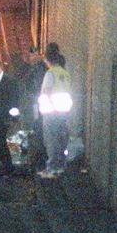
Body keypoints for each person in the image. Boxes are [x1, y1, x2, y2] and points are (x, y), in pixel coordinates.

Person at [37, 48, 72, 179]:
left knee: (51, 140)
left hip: (51, 112)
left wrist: (42, 106)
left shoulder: (50, 73)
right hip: (63, 112)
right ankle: (60, 166)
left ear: (48, 60)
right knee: (61, 139)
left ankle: (51, 168)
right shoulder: (65, 73)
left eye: (45, 60)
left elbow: (46, 91)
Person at [24, 46, 48, 170]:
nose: (32, 58)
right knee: (36, 128)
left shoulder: (41, 69)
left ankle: (41, 156)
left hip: (41, 104)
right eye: (31, 55)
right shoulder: (33, 69)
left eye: (34, 55)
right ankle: (39, 155)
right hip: (36, 103)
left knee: (39, 128)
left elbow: (37, 87)